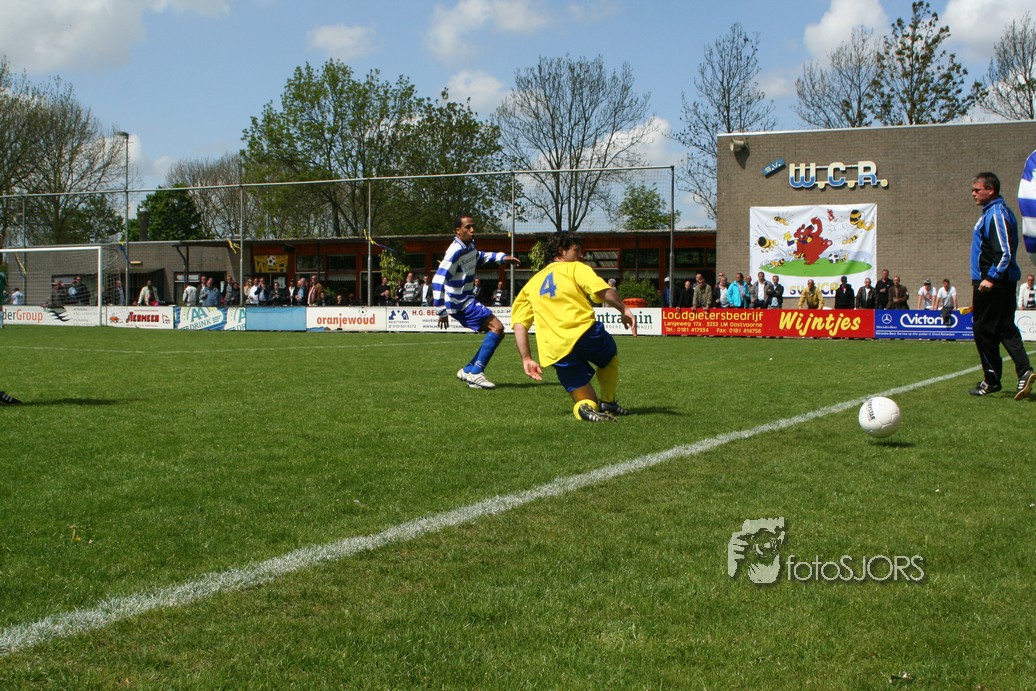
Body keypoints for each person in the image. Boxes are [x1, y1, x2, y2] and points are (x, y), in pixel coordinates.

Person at [511, 231, 637, 422]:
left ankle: (585, 410)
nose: (581, 255)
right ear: (561, 251)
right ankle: (608, 402)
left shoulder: (531, 284)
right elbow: (602, 290)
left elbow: (520, 323)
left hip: (555, 349)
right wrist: (624, 309)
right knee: (609, 357)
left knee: (586, 400)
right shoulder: (575, 268)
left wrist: (526, 358)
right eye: (576, 250)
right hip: (584, 333)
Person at [433, 214, 520, 389]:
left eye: (473, 227)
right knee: (497, 328)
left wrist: (502, 258)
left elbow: (479, 257)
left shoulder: (470, 246)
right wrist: (441, 311)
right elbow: (437, 280)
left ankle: (468, 370)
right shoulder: (454, 252)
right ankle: (476, 373)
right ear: (458, 231)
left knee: (496, 331)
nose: (472, 230)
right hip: (459, 302)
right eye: (468, 227)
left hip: (466, 299)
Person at [968, 172, 1035, 398]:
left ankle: (991, 380)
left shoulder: (996, 213)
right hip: (999, 281)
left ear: (991, 190)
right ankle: (1024, 371)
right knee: (1005, 328)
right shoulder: (992, 212)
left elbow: (1004, 251)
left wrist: (991, 277)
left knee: (982, 330)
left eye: (977, 189)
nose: (973, 193)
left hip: (992, 283)